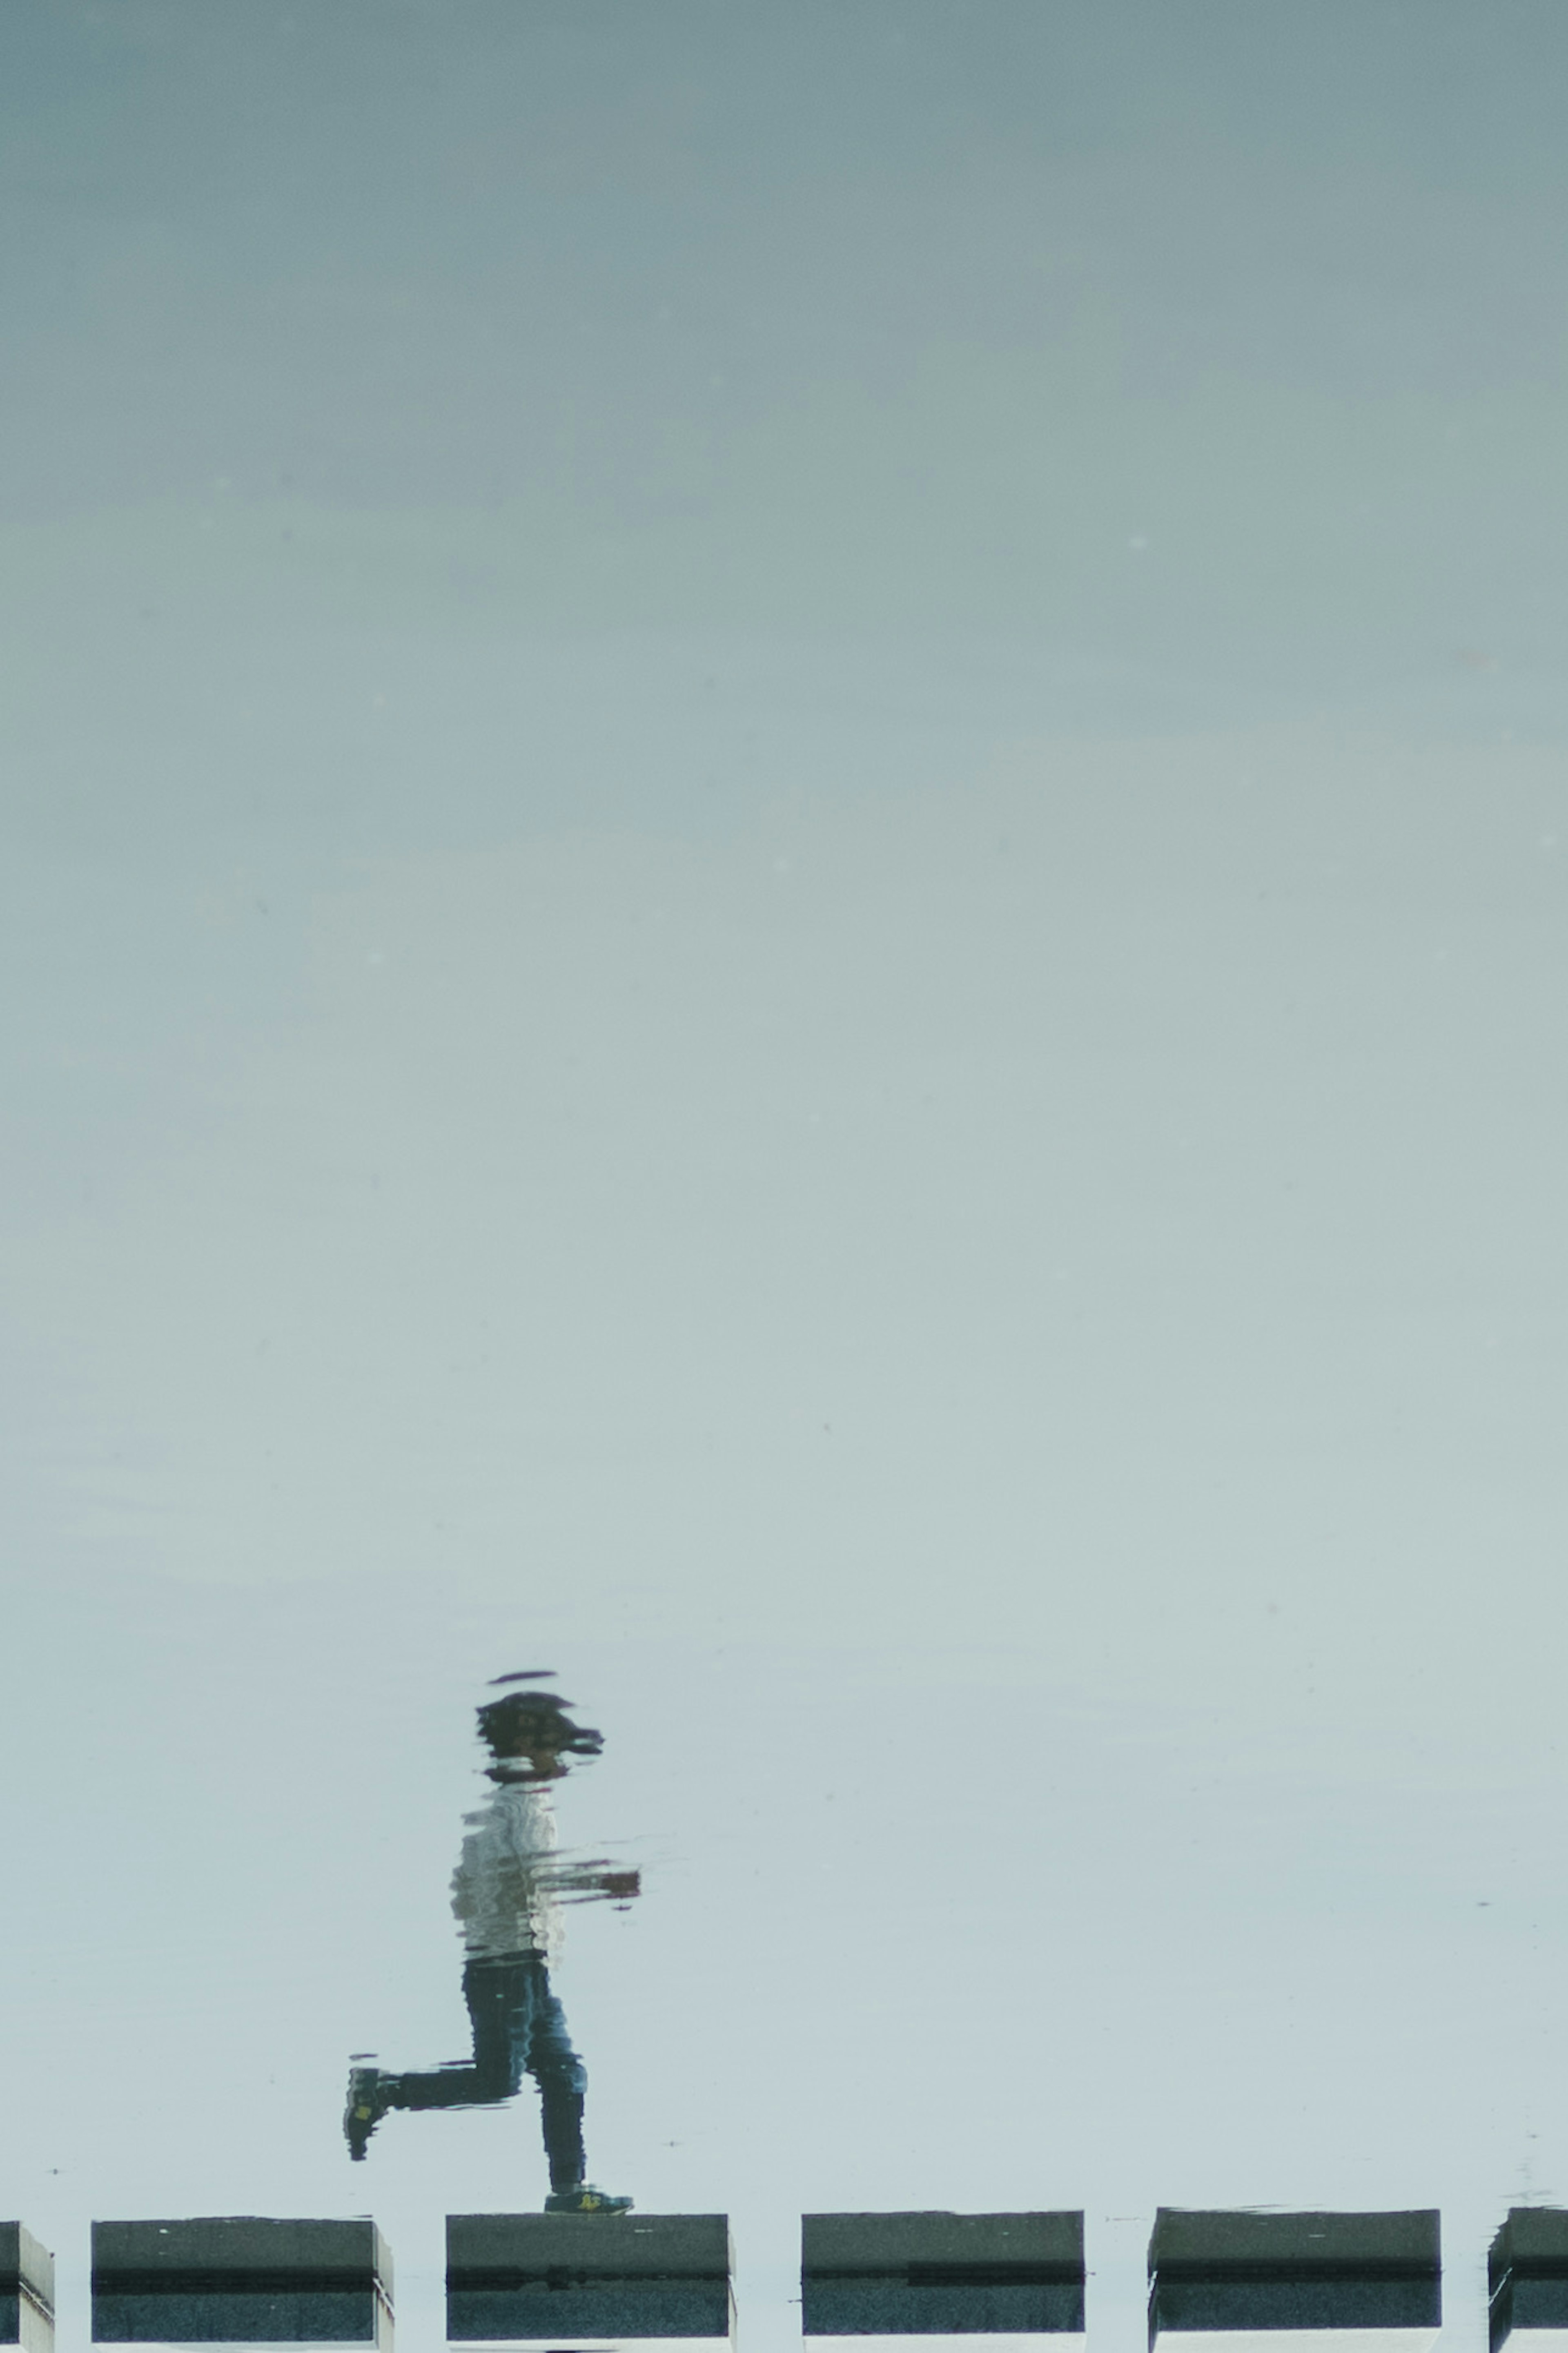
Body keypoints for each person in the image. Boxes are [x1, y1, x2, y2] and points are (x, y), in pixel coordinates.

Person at [343, 1675, 639, 2213]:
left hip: (526, 1968)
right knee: (497, 2079)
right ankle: (383, 2089)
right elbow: (534, 1874)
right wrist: (599, 1880)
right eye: (557, 1746)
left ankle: (570, 2190)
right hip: (504, 1969)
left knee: (564, 2073)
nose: (566, 1761)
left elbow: (489, 1888)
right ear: (528, 1745)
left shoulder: (519, 1802)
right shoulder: (519, 1801)